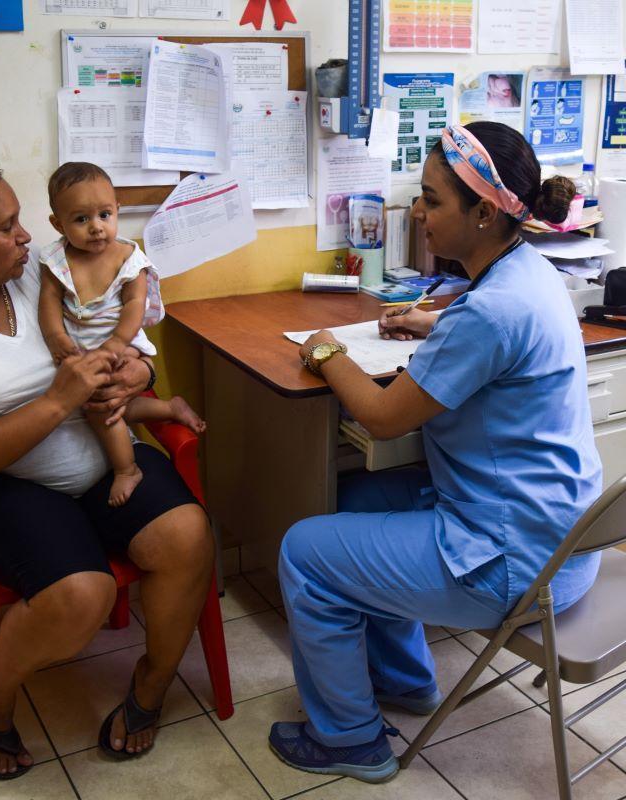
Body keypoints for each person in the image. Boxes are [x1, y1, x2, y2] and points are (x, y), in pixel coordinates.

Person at [268, 122, 601, 784]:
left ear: (483, 213)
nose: (418, 211)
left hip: (517, 564)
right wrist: (438, 321)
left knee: (305, 552)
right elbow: (490, 325)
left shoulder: (489, 312)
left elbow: (384, 417)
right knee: (357, 500)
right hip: (567, 540)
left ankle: (352, 741)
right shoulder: (527, 275)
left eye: (431, 199)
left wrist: (328, 350)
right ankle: (407, 680)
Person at [0, 148, 214, 778]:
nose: (26, 235)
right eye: (6, 227)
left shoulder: (42, 273)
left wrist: (139, 368)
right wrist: (59, 401)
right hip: (2, 485)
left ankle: (149, 688)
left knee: (187, 536)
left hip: (105, 453)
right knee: (82, 591)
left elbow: (126, 337)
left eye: (22, 219)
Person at [38, 162, 205, 507]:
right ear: (58, 224)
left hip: (122, 342)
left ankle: (127, 469)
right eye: (81, 219)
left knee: (100, 408)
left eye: (104, 214)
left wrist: (116, 343)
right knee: (112, 405)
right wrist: (55, 336)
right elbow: (50, 302)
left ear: (117, 210)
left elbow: (134, 304)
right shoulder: (56, 260)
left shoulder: (128, 258)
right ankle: (168, 408)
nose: (96, 228)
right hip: (82, 349)